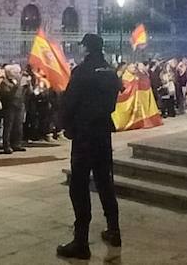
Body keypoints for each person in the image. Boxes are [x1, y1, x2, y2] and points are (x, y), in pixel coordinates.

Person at [56, 33, 122, 260]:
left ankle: (81, 241)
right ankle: (114, 229)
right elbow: (113, 102)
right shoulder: (110, 72)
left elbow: (69, 102)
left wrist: (65, 125)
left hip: (84, 134)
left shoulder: (82, 72)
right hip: (103, 132)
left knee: (80, 185)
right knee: (105, 182)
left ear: (86, 48)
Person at [0, 64, 27, 153]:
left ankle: (17, 144)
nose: (18, 74)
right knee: (8, 126)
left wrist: (27, 85)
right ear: (9, 73)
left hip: (20, 105)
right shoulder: (4, 82)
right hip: (10, 106)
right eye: (15, 72)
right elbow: (7, 95)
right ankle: (6, 145)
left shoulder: (20, 81)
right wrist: (16, 86)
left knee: (18, 126)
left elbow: (26, 93)